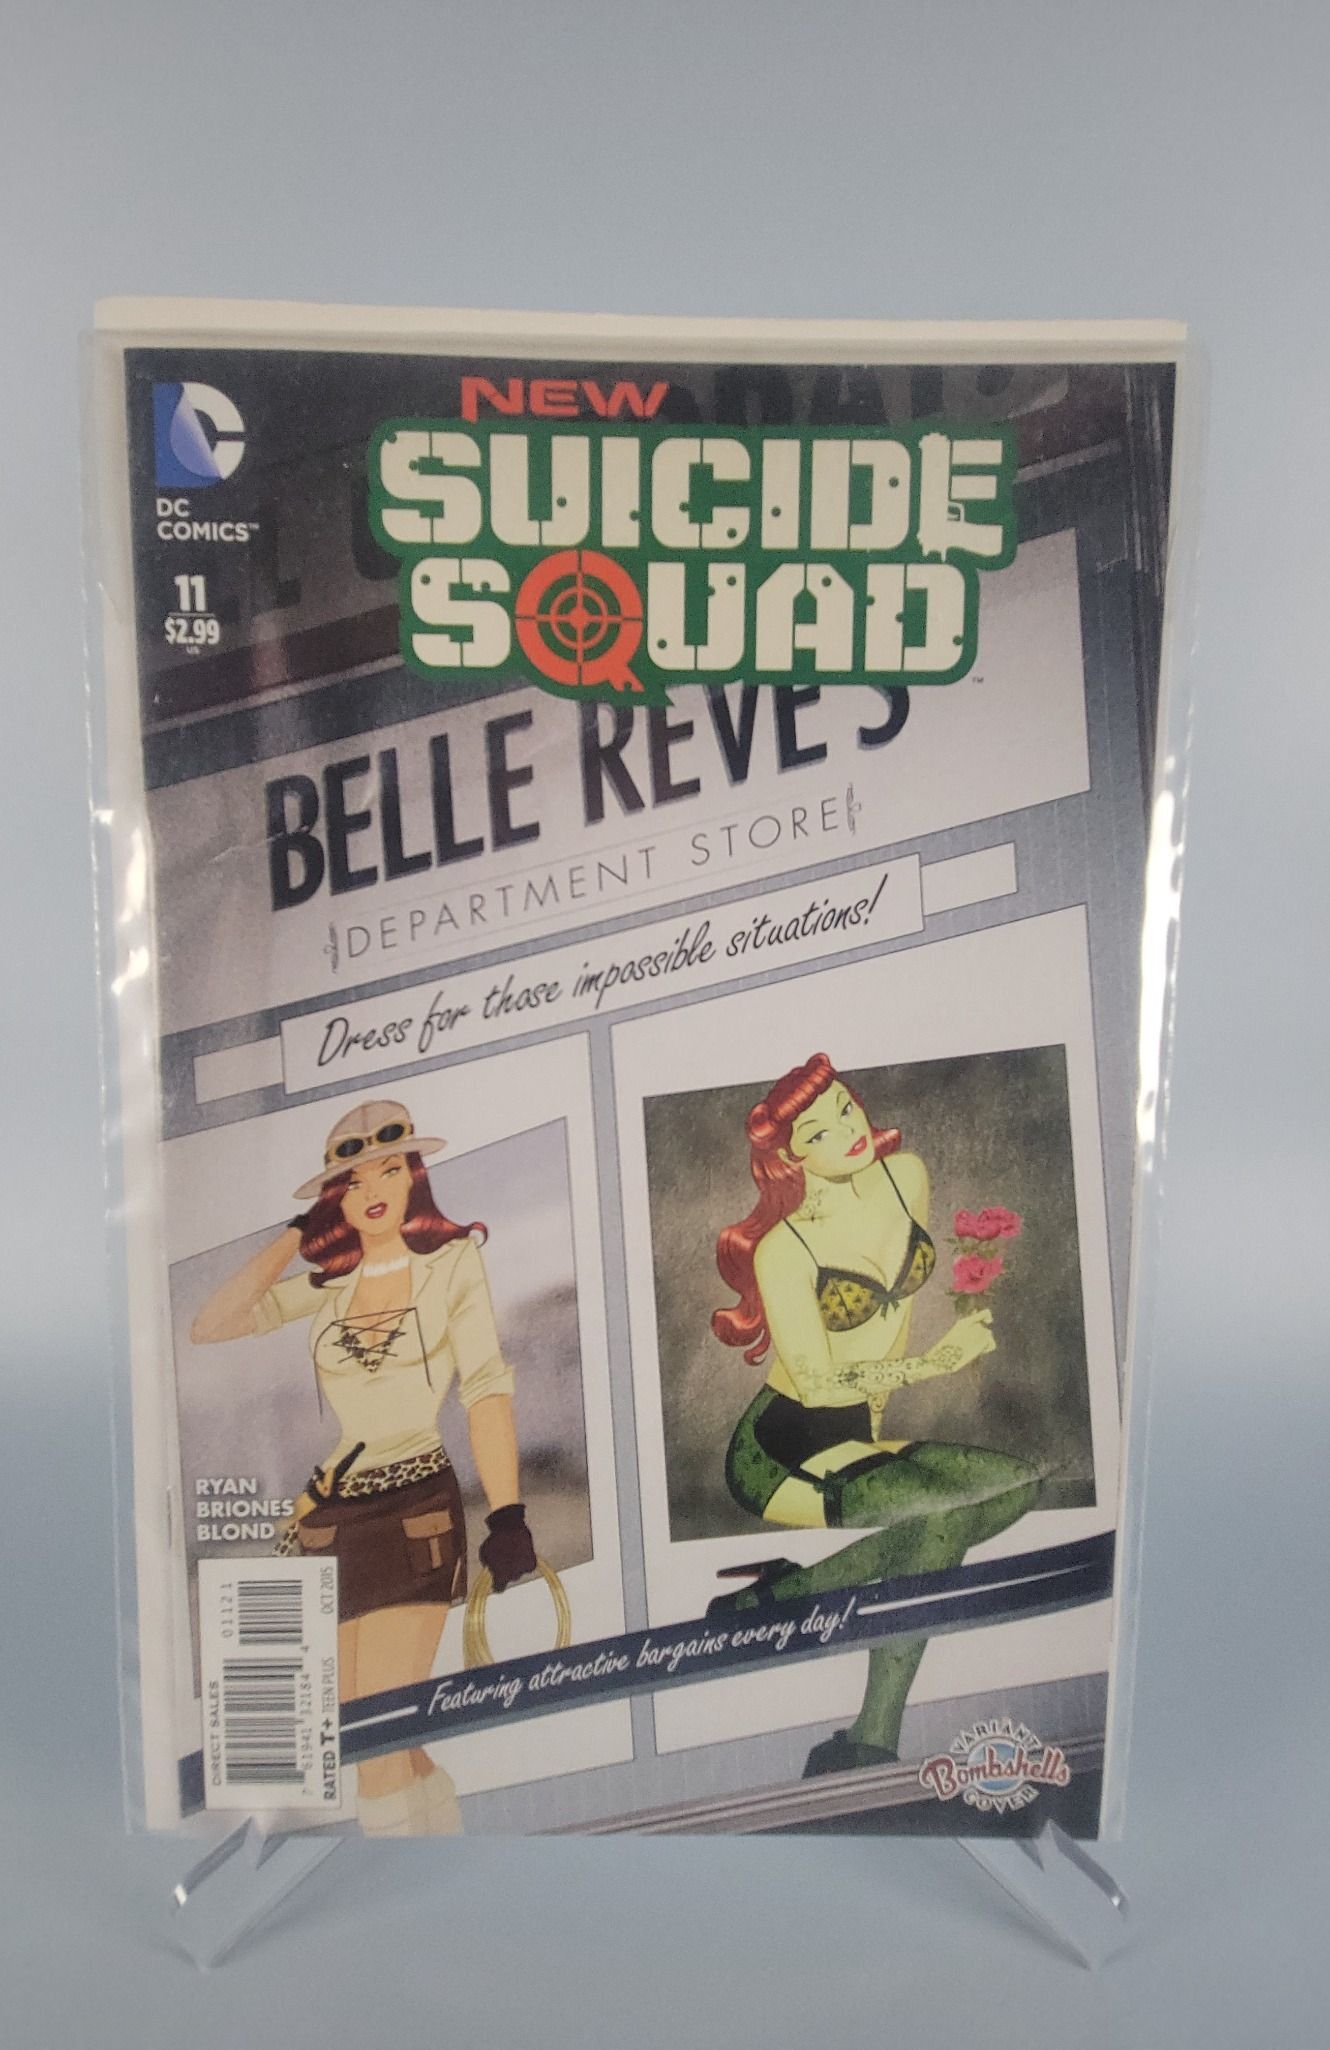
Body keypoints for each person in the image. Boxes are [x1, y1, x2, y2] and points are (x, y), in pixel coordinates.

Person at [191, 1098, 537, 1835]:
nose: (372, 1188)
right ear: (335, 1201)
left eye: (388, 1169)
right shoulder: (330, 1284)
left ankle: (395, 1894)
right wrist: (296, 1234)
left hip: (415, 1512)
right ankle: (445, 1859)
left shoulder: (451, 1264)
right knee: (385, 1745)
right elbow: (210, 1325)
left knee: (376, 1751)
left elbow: (484, 1389)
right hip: (330, 1522)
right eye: (351, 1181)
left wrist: (508, 1516)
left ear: (414, 1177)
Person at [710, 1053, 1041, 1778]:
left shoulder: (906, 1176)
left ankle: (784, 1595)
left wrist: (883, 1418)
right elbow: (818, 1385)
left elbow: (897, 1314)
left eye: (846, 1107)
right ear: (791, 1160)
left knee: (1017, 1485)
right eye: (819, 1132)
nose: (848, 1128)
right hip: (783, 1444)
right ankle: (873, 1737)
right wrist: (934, 1365)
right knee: (938, 1516)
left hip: (859, 1425)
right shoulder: (783, 1250)